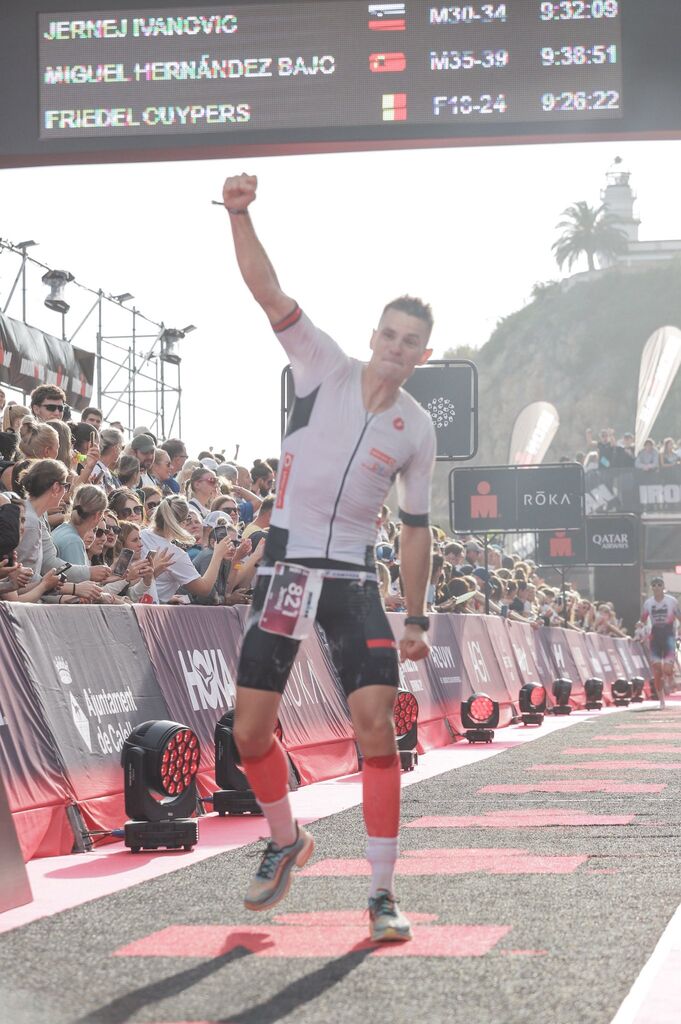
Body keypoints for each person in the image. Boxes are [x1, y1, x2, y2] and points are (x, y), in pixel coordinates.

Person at [222, 171, 436, 943]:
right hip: (286, 573)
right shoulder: (322, 365)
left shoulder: (417, 428)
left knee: (374, 726)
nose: (396, 349)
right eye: (389, 335)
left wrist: (416, 616)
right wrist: (238, 215)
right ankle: (286, 840)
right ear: (373, 335)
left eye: (410, 342)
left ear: (422, 354)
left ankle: (380, 893)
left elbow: (415, 527)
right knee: (249, 734)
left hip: (349, 578)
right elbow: (267, 291)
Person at [140, 495, 236, 603]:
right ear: (183, 522)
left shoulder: (140, 535)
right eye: (189, 519)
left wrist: (164, 598)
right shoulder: (174, 554)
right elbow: (204, 589)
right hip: (147, 608)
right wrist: (218, 554)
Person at [641, 577, 681, 709]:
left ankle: (671, 674)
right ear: (651, 588)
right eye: (654, 585)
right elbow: (643, 619)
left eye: (659, 584)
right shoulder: (648, 603)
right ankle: (662, 701)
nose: (657, 587)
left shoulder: (672, 601)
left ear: (663, 587)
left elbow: (679, 617)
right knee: (657, 671)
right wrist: (640, 627)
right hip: (655, 638)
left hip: (669, 637)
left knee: (667, 669)